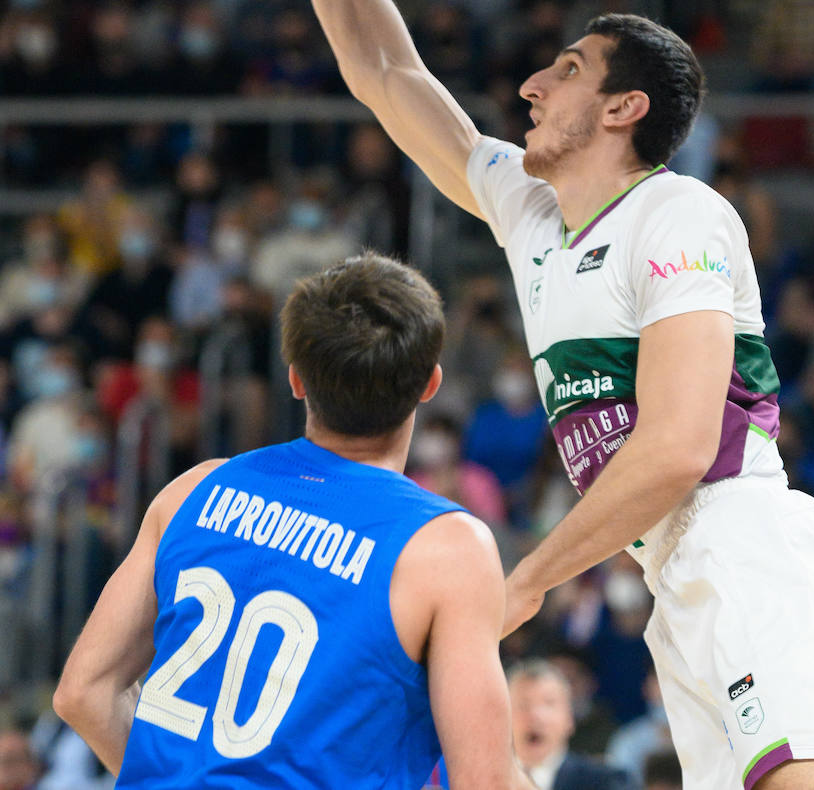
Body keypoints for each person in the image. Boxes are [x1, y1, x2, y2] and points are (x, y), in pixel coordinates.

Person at [186, 0, 814, 790]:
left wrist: (518, 585)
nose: (528, 83)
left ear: (620, 110)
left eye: (563, 69)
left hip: (749, 546)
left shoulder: (679, 214)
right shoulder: (530, 212)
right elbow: (386, 74)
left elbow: (680, 447)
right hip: (674, 574)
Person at [53, 252, 529, 790]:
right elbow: (485, 782)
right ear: (430, 383)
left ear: (296, 379)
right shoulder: (447, 547)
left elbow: (83, 693)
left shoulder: (195, 488)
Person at [508, 659, 632, 790]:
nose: (536, 715)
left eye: (549, 703)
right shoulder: (487, 781)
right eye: (523, 704)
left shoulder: (605, 781)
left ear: (569, 719)